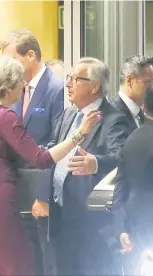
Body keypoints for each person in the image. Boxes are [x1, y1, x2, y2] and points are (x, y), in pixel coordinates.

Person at [0, 56, 100, 276]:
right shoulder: (5, 117)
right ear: (8, 88)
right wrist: (79, 135)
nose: (24, 86)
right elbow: (40, 159)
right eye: (20, 82)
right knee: (15, 263)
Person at [46, 57, 130, 275]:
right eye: (69, 78)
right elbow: (54, 150)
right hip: (60, 215)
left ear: (95, 86)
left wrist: (96, 163)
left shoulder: (113, 119)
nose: (68, 83)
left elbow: (122, 158)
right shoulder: (68, 114)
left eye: (75, 79)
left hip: (91, 223)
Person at [0, 28, 64, 275]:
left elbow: (57, 144)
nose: (8, 67)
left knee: (48, 262)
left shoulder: (56, 89)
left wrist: (44, 194)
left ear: (29, 55)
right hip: (18, 193)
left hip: (42, 194)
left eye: (12, 59)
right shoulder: (16, 90)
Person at [113, 87, 153, 275]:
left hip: (135, 228)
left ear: (144, 107)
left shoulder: (132, 138)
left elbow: (120, 189)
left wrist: (121, 229)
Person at [112, 55, 153, 132]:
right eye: (148, 82)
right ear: (129, 80)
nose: (152, 87)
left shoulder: (141, 115)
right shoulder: (113, 116)